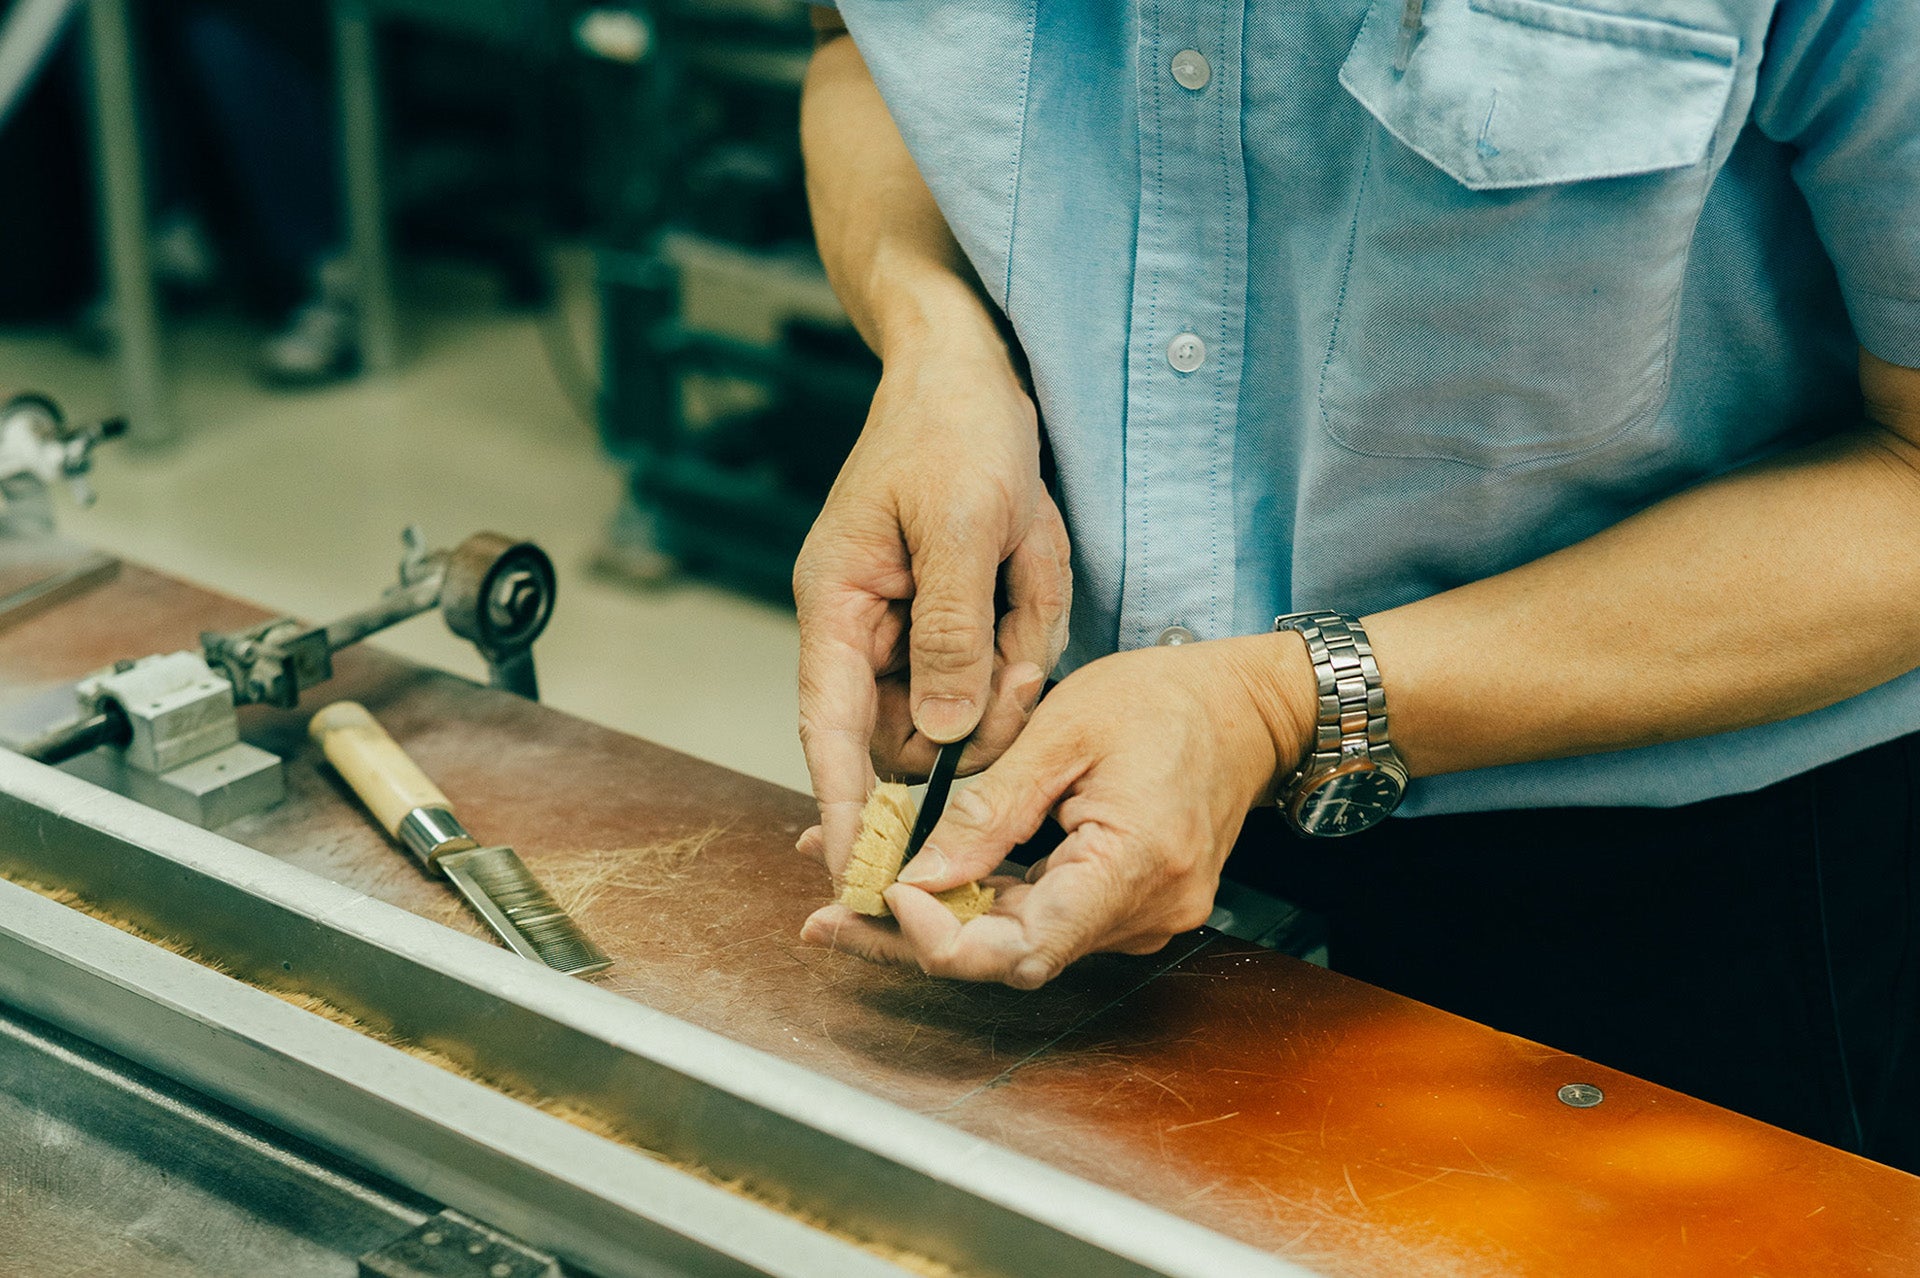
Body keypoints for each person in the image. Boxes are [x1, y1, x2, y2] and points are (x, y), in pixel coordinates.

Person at [788, 1, 1920, 1171]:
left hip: (1686, 885)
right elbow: (852, 53)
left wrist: (1274, 709)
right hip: (1094, 772)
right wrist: (938, 346)